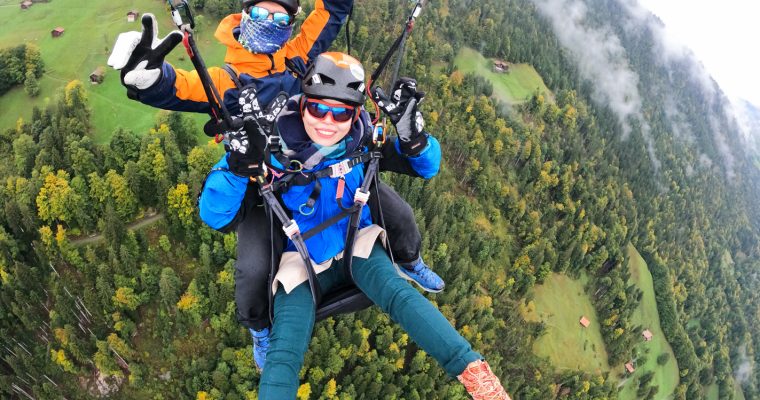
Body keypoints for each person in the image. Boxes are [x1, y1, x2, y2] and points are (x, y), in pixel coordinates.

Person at [107, 0, 444, 371]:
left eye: (280, 17)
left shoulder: (299, 56)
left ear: (291, 22)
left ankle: (410, 261)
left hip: (325, 161)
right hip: (267, 183)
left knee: (398, 214)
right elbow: (182, 87)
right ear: (244, 15)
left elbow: (331, 13)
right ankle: (260, 330)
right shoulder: (226, 83)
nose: (270, 24)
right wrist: (151, 79)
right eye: (261, 14)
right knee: (253, 271)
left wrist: (406, 135)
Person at [198, 52, 511, 400]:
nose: (328, 122)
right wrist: (238, 165)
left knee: (400, 295)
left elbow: (426, 167)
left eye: (342, 112)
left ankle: (479, 378)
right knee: (283, 351)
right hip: (298, 262)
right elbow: (215, 214)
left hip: (354, 242)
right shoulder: (266, 148)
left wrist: (415, 139)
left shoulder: (361, 141)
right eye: (319, 109)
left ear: (354, 115)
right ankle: (260, 333)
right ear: (303, 105)